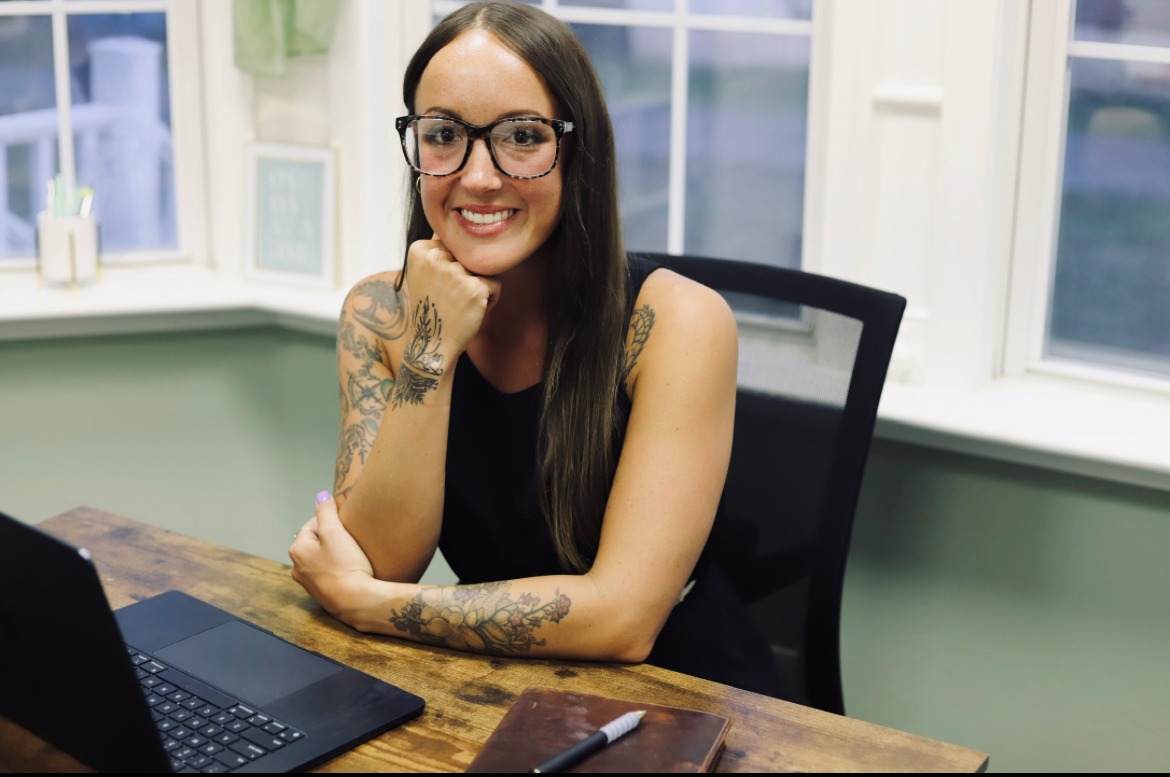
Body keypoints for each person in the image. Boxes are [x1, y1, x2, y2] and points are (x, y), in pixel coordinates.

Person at [289, 0, 785, 698]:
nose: (478, 176)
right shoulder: (379, 314)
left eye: (522, 136)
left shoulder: (680, 321)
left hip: (674, 693)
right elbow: (380, 561)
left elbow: (623, 618)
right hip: (489, 684)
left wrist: (370, 605)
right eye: (443, 135)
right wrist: (432, 348)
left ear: (578, 153)